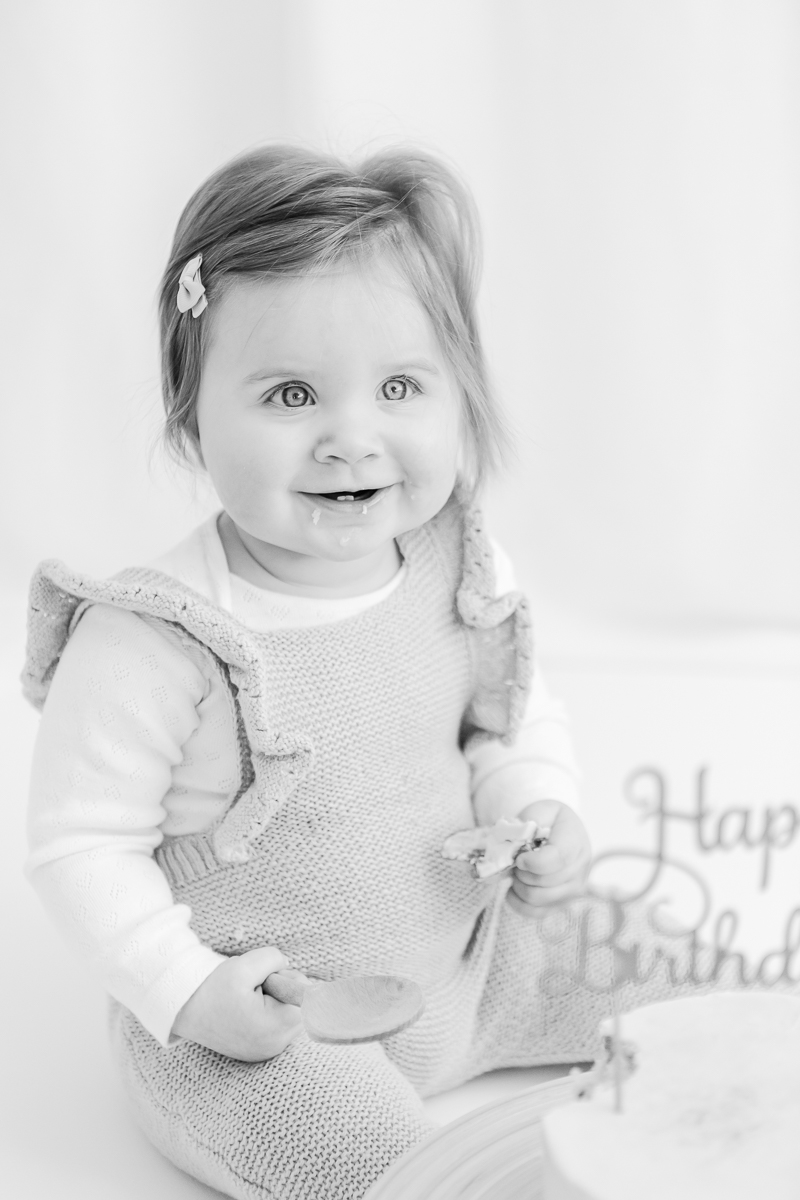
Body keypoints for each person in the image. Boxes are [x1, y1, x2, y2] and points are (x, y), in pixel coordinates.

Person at [21, 146, 717, 1200]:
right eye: (291, 394)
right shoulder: (158, 638)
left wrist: (537, 806)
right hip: (273, 1023)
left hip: (475, 959)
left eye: (399, 386)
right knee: (391, 1171)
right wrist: (188, 992)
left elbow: (506, 719)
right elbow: (77, 845)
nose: (353, 438)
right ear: (189, 415)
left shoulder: (457, 562)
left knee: (692, 984)